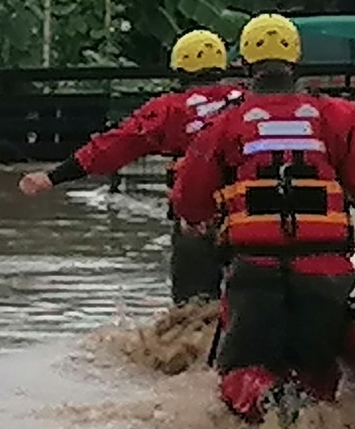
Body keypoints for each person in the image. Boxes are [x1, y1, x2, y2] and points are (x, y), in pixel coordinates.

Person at [171, 13, 355, 425]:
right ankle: (308, 416)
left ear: (244, 65)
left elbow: (190, 193)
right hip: (326, 267)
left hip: (254, 267)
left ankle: (266, 401)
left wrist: (194, 220)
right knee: (317, 375)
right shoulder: (342, 116)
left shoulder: (224, 123)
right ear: (297, 62)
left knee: (238, 370)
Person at [20, 29, 244, 304]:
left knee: (193, 310)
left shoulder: (169, 110)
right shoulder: (247, 101)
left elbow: (112, 147)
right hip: (250, 218)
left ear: (179, 69)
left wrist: (53, 177)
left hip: (196, 222)